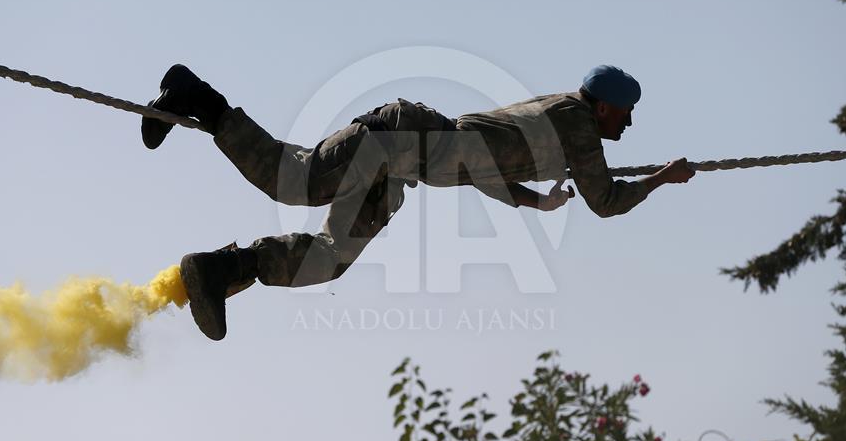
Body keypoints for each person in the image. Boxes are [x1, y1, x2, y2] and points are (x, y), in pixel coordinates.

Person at [141, 64, 695, 340]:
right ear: (605, 110)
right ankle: (197, 97)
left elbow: (485, 167)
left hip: (404, 162)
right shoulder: (579, 126)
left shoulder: (567, 120)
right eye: (626, 114)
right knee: (296, 180)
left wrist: (533, 203)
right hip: (402, 140)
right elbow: (605, 201)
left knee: (327, 258)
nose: (629, 123)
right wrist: (661, 180)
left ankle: (219, 270)